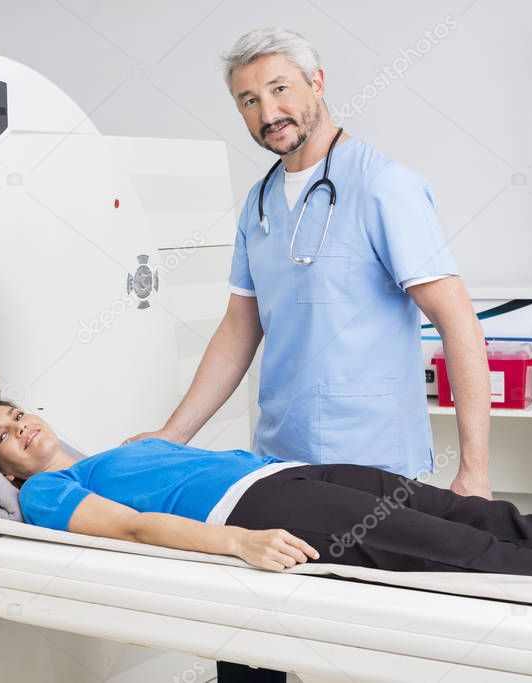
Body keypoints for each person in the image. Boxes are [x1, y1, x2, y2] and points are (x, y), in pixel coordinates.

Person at [122, 27, 494, 680]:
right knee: (247, 638)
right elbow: (239, 328)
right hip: (279, 463)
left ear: (316, 85)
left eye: (278, 89)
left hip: (374, 468)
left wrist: (474, 470)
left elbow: (458, 322)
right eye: (246, 100)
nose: (266, 113)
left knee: (361, 652)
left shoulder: (384, 186)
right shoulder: (259, 203)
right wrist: (171, 436)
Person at [0, 399, 532, 589]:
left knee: (483, 514)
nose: (20, 429)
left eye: (17, 414)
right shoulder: (46, 490)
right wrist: (238, 541)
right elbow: (131, 528)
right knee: (461, 548)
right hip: (261, 509)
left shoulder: (123, 447)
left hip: (296, 474)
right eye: (3, 438)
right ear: (7, 469)